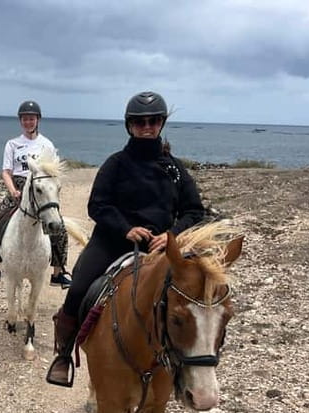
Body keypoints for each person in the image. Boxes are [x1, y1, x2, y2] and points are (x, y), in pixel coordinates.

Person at [46, 91, 206, 387]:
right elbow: (98, 205)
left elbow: (195, 210)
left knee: (198, 294)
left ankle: (190, 360)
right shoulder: (115, 163)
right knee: (79, 286)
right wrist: (125, 228)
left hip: (161, 248)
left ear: (161, 123)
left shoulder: (175, 169)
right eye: (140, 122)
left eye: (153, 121)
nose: (147, 127)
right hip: (113, 241)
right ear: (129, 125)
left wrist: (172, 235)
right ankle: (64, 354)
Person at [0, 100, 72, 288]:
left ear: (38, 120)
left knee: (59, 230)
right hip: (18, 186)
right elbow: (6, 171)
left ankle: (58, 273)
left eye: (32, 118)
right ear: (21, 121)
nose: (29, 122)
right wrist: (13, 191)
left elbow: (53, 173)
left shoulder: (47, 145)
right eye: (25, 119)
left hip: (40, 189)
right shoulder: (12, 144)